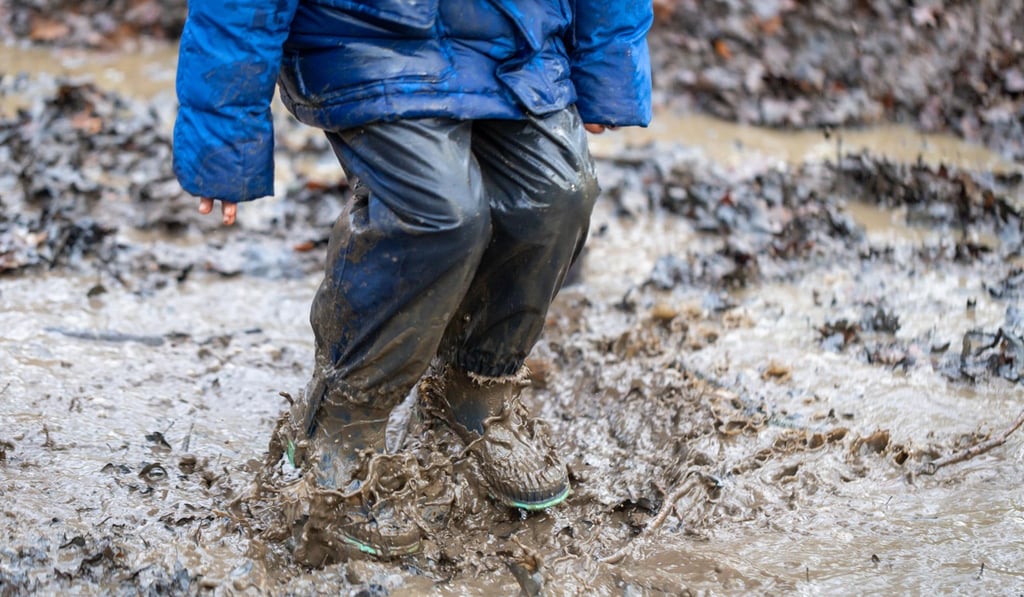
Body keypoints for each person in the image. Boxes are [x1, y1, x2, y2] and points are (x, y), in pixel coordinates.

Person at [173, 0, 652, 564]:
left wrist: (607, 64)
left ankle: (475, 388)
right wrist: (224, 131)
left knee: (555, 198)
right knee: (438, 214)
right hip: (366, 38)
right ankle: (340, 419)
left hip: (516, 35)